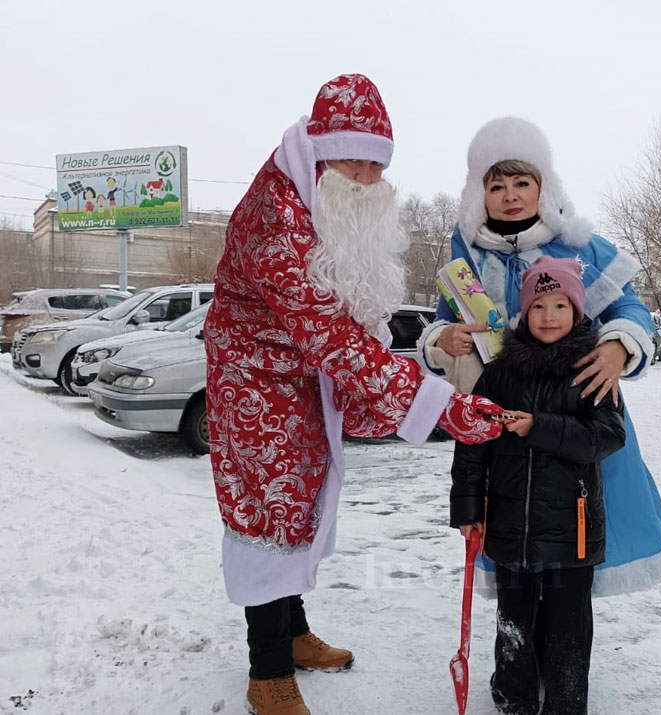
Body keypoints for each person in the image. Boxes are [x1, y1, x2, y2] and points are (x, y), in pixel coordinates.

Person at [203, 74, 503, 715]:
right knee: (270, 512)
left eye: (377, 163)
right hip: (254, 381)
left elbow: (350, 328)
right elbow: (335, 340)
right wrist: (440, 408)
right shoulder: (275, 219)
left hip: (301, 378)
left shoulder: (321, 199)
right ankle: (267, 674)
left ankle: (292, 631)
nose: (367, 177)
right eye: (353, 159)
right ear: (319, 149)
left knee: (302, 506)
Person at [420, 116, 661, 597]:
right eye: (496, 185)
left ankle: (564, 635)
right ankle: (521, 640)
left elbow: (629, 307)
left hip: (576, 406)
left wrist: (618, 344)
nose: (511, 194)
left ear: (545, 187)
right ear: (480, 195)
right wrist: (443, 339)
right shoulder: (468, 260)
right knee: (513, 518)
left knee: (577, 520)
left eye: (523, 182)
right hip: (505, 415)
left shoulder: (580, 248)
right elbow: (441, 321)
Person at [451, 256, 626, 714]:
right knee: (514, 618)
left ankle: (567, 700)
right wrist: (468, 512)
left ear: (577, 311)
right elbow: (473, 446)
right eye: (539, 306)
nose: (549, 316)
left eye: (561, 306)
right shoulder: (501, 373)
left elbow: (608, 435)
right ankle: (515, 697)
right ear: (524, 312)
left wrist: (540, 428)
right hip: (510, 524)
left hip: (574, 527)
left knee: (569, 623)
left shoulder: (592, 370)